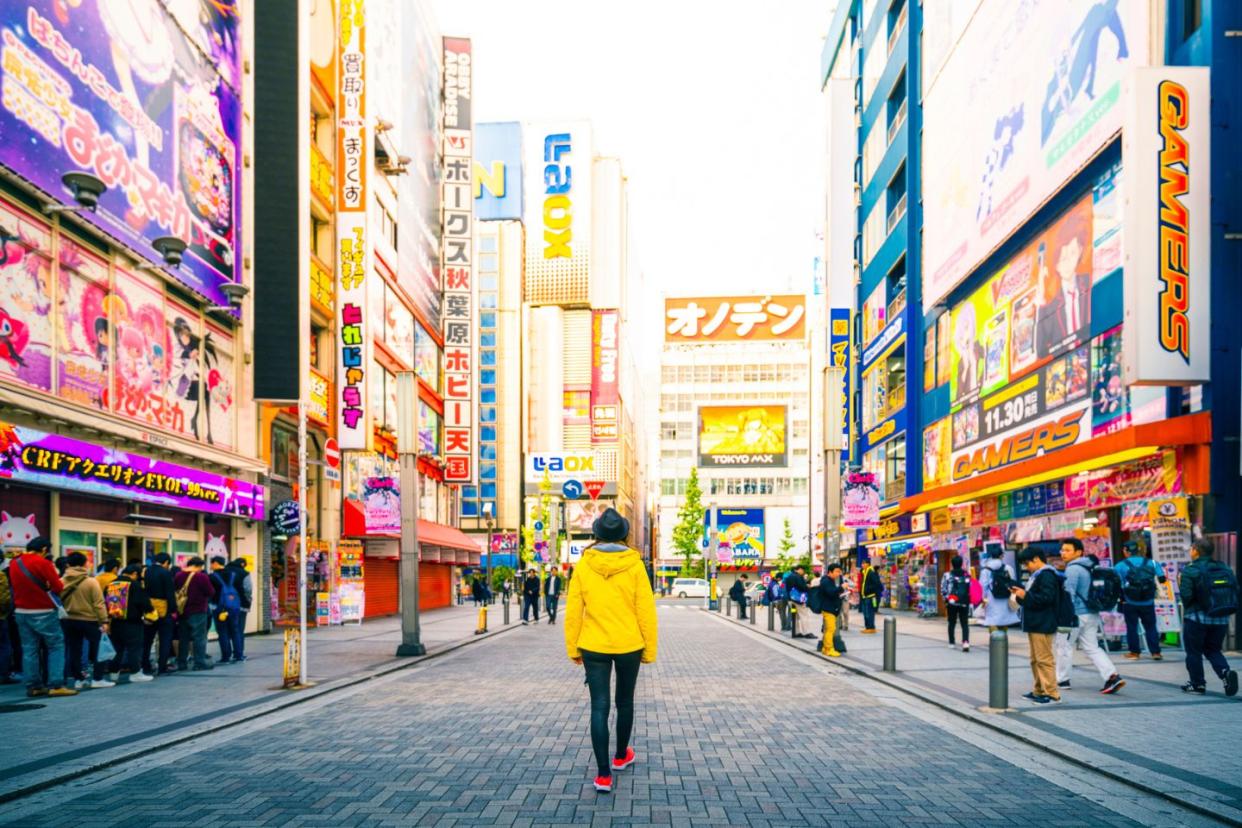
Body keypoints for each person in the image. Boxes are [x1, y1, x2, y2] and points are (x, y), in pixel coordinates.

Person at [563, 508, 657, 794]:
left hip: (593, 644)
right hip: (629, 643)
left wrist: (573, 647)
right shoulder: (634, 564)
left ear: (597, 533)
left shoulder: (585, 564)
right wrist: (649, 649)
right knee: (625, 702)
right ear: (624, 534)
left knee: (599, 706)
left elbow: (573, 609)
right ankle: (620, 756)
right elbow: (645, 609)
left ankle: (603, 775)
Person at [8, 537, 76, 697]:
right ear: (44, 549)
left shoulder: (14, 563)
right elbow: (58, 587)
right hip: (43, 610)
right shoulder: (43, 563)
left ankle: (33, 686)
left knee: (29, 649)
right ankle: (56, 684)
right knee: (55, 646)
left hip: (21, 612)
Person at [1056, 539, 1124, 694]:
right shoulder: (1090, 567)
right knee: (1092, 647)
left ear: (1078, 552)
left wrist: (1064, 615)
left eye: (1067, 550)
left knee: (1063, 646)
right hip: (1092, 613)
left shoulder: (1073, 569)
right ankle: (1112, 676)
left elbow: (1069, 594)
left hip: (1076, 615)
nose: (1062, 553)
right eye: (1062, 550)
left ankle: (1062, 680)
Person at [1178, 538, 1238, 696]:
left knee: (1194, 652)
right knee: (1213, 649)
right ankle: (1225, 673)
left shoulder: (1191, 570)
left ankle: (1197, 684)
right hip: (1221, 617)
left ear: (1196, 550)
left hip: (1196, 618)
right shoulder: (1224, 567)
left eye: (1191, 548)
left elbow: (1186, 596)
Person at [1011, 547, 1062, 704]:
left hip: (1043, 622)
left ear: (1036, 559)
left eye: (1027, 563)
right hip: (1035, 623)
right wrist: (1020, 596)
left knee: (1044, 659)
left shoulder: (1047, 575)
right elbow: (1032, 599)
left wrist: (1025, 595)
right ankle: (1039, 690)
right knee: (1035, 659)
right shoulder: (1037, 576)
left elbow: (1046, 598)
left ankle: (1052, 694)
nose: (1027, 567)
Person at [60, 552, 114, 690]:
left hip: (68, 620)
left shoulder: (61, 581)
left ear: (68, 564)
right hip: (89, 620)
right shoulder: (91, 581)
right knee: (98, 648)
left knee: (74, 650)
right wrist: (104, 621)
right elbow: (99, 603)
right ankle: (98, 678)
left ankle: (79, 679)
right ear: (84, 564)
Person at [1112, 540, 1167, 660]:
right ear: (1138, 550)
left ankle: (1134, 653)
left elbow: (1115, 583)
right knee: (1151, 626)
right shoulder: (1152, 563)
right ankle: (1156, 652)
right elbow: (1162, 579)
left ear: (1126, 551)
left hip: (1129, 601)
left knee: (1132, 627)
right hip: (1148, 601)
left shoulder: (1120, 565)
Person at [106, 564, 154, 683]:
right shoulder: (134, 585)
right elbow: (144, 603)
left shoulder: (111, 584)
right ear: (134, 574)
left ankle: (114, 673)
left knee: (117, 649)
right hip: (132, 622)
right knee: (134, 648)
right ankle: (135, 673)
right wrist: (149, 613)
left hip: (115, 621)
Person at [174, 557, 216, 672]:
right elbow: (211, 592)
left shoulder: (178, 575)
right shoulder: (201, 577)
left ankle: (181, 663)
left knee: (183, 638)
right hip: (198, 611)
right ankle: (199, 663)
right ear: (198, 566)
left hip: (182, 611)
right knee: (199, 638)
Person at [142, 552, 177, 676]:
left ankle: (145, 666)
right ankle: (162, 666)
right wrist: (173, 610)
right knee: (165, 639)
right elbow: (170, 594)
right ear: (166, 562)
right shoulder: (165, 573)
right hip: (164, 610)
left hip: (149, 610)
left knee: (147, 640)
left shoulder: (146, 571)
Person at [209, 556, 249, 663]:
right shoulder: (233, 575)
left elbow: (210, 592)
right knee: (235, 631)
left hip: (219, 607)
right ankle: (239, 655)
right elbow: (242, 589)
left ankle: (226, 657)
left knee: (222, 632)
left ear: (216, 563)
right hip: (234, 606)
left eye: (211, 563)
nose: (210, 566)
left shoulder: (212, 577)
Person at [979, 548, 1022, 629]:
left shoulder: (985, 570)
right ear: (1001, 556)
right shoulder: (1008, 568)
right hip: (1005, 597)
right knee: (1004, 620)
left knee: (992, 620)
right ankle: (1003, 640)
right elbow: (1013, 584)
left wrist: (983, 600)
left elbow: (982, 587)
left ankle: (995, 639)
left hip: (991, 598)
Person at [941, 555, 973, 652]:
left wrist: (946, 599)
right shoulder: (967, 575)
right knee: (964, 623)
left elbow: (943, 589)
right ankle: (965, 642)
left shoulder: (947, 575)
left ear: (952, 564)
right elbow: (970, 588)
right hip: (964, 601)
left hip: (952, 601)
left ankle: (951, 642)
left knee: (952, 622)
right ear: (961, 563)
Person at [817, 564, 845, 657]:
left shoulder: (830, 580)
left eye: (839, 571)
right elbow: (831, 592)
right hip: (829, 609)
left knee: (829, 629)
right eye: (837, 571)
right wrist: (842, 588)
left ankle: (825, 648)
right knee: (830, 629)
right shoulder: (826, 581)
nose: (838, 574)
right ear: (830, 572)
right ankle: (829, 649)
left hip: (831, 608)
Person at [784, 565, 816, 639]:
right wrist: (807, 586)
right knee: (804, 615)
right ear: (799, 569)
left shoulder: (789, 577)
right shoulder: (798, 577)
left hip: (790, 599)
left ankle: (796, 632)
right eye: (803, 570)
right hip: (799, 600)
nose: (803, 572)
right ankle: (807, 632)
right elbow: (802, 587)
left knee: (795, 616)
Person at [858, 558, 883, 634]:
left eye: (864, 563)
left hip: (871, 596)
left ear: (868, 564)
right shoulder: (864, 572)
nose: (862, 565)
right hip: (865, 596)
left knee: (870, 612)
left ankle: (871, 627)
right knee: (865, 612)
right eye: (862, 563)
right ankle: (867, 627)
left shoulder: (871, 572)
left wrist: (868, 590)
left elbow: (876, 584)